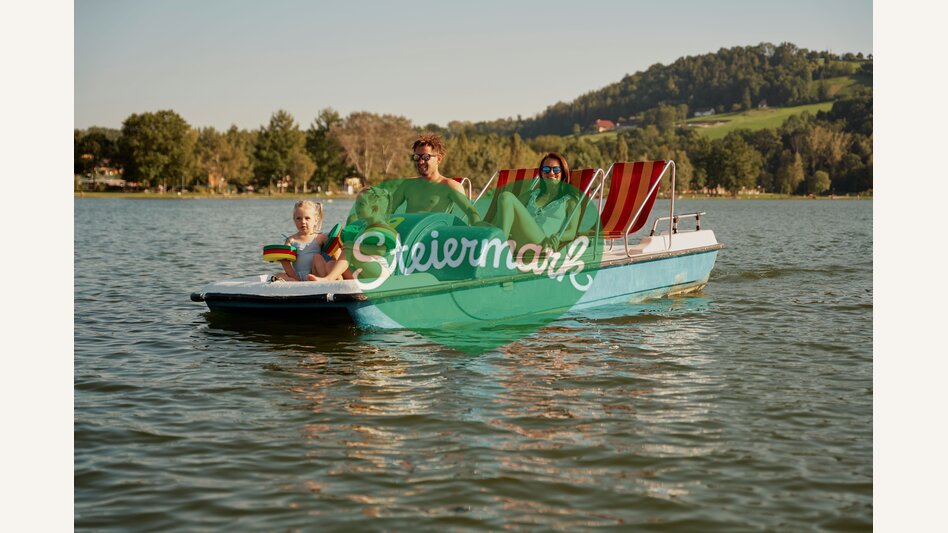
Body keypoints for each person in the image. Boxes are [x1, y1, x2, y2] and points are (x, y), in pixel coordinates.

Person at [481, 152, 582, 252]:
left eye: (556, 169)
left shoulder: (571, 200)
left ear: (563, 172)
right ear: (541, 174)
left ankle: (498, 250)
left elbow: (571, 232)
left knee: (506, 196)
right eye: (546, 169)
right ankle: (497, 245)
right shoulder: (532, 195)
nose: (551, 173)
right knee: (480, 225)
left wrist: (558, 237)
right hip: (517, 240)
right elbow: (508, 212)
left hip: (540, 243)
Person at [386, 133, 481, 223]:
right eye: (417, 157)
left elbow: (470, 211)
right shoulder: (407, 184)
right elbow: (387, 211)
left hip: (435, 237)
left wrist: (479, 228)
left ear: (439, 159)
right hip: (410, 236)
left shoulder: (450, 186)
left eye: (426, 157)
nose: (420, 161)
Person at [318, 187, 395, 282]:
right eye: (356, 204)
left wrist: (354, 246)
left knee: (350, 249)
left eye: (361, 204)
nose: (356, 208)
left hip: (380, 273)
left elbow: (380, 251)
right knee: (330, 265)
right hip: (365, 271)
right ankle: (340, 286)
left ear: (374, 209)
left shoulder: (380, 228)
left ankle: (328, 279)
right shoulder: (364, 227)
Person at [272, 200, 341, 282]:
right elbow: (286, 262)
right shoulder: (291, 240)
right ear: (294, 220)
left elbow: (335, 249)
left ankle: (325, 281)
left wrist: (336, 264)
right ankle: (295, 282)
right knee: (278, 275)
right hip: (297, 275)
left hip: (315, 274)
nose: (303, 222)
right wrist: (294, 276)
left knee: (317, 258)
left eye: (307, 218)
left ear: (315, 220)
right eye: (298, 218)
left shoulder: (319, 237)